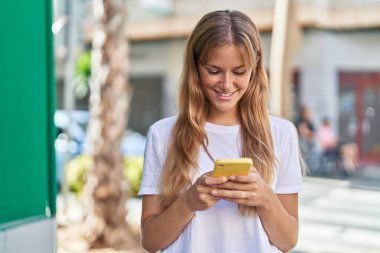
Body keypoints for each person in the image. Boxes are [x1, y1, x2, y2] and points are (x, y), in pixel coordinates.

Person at [139, 10, 303, 253]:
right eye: (214, 70)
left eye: (239, 72)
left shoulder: (281, 133)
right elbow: (151, 241)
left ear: (255, 68)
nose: (226, 84)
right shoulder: (163, 135)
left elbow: (288, 241)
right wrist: (188, 202)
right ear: (195, 67)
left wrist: (265, 198)